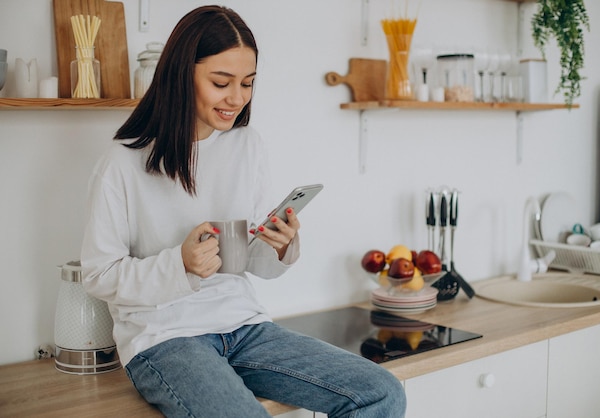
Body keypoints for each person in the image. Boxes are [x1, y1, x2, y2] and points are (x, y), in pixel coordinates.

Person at [80, 5, 406, 418]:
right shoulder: (122, 162)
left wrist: (281, 246)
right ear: (182, 74)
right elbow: (98, 274)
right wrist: (179, 265)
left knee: (381, 391)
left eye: (248, 83)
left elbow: (249, 262)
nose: (237, 98)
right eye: (221, 82)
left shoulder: (245, 145)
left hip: (244, 325)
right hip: (164, 337)